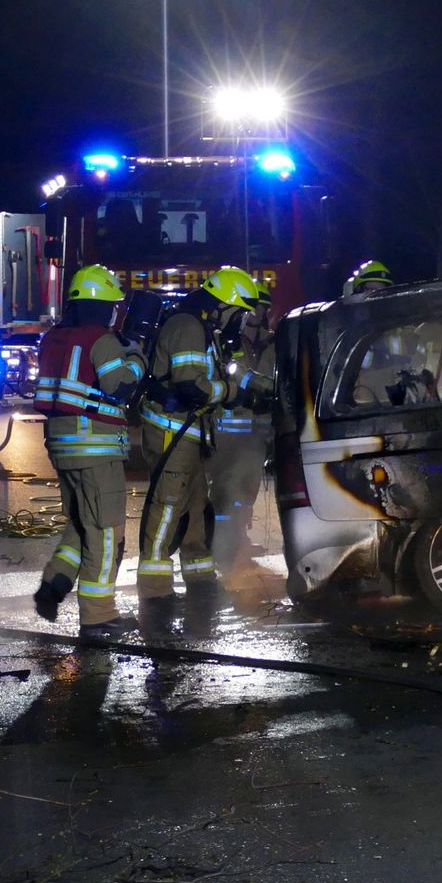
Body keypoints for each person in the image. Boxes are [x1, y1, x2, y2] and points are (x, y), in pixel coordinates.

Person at [136, 266, 262, 635]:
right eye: (238, 312)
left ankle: (199, 575)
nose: (239, 321)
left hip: (190, 432)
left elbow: (219, 376)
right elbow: (192, 386)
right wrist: (231, 394)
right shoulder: (189, 326)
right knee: (168, 506)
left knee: (194, 506)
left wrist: (258, 387)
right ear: (223, 306)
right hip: (172, 431)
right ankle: (155, 587)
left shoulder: (203, 328)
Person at [29, 265, 146, 638]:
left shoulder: (53, 338)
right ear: (103, 305)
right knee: (107, 532)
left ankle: (54, 585)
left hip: (61, 447)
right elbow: (119, 385)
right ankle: (98, 617)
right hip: (96, 448)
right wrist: (138, 358)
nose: (116, 311)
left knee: (82, 525)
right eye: (113, 304)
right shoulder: (101, 339)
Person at [210, 284, 277, 579]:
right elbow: (235, 374)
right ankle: (221, 545)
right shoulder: (228, 343)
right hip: (228, 429)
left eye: (261, 307)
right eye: (252, 307)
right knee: (225, 489)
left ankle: (239, 540)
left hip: (257, 431)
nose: (256, 313)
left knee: (246, 491)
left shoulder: (272, 344)